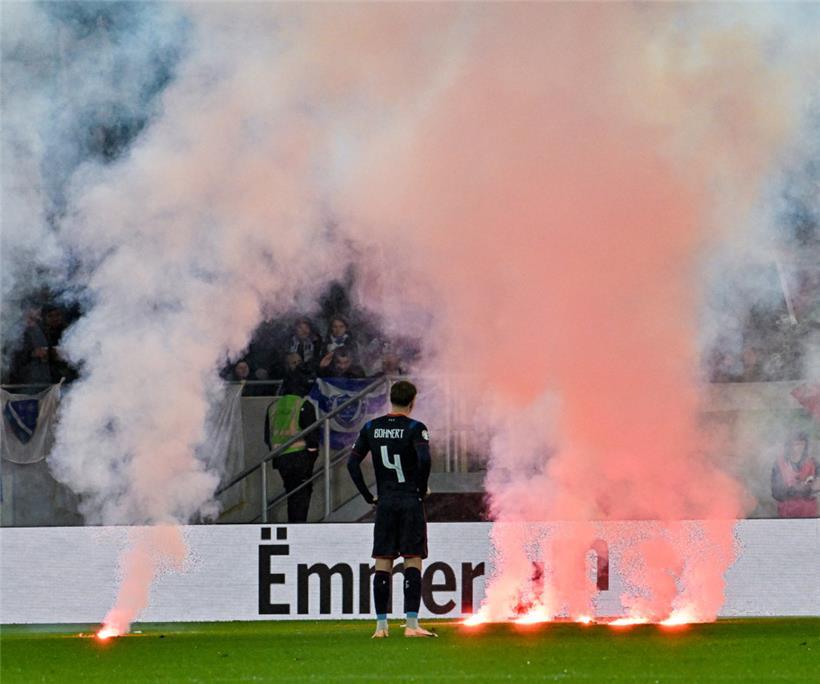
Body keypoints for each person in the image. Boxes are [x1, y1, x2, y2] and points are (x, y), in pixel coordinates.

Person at [347, 380, 435, 638]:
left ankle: (381, 626)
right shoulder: (415, 428)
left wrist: (367, 496)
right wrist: (420, 488)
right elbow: (425, 459)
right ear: (412, 401)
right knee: (412, 558)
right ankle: (411, 625)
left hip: (385, 501)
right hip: (409, 500)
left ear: (390, 399)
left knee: (383, 561)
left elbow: (352, 465)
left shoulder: (371, 427)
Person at [264, 389, 319, 523]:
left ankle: (293, 525)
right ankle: (298, 527)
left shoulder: (273, 407)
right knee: (302, 494)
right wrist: (312, 454)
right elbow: (312, 434)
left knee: (291, 493)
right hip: (300, 456)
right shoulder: (303, 405)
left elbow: (267, 437)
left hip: (280, 457)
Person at [771, 432, 819, 518]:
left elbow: (816, 486)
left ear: (805, 445)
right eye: (792, 444)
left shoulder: (814, 463)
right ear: (788, 445)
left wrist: (812, 487)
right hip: (786, 513)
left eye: (799, 444)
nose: (795, 448)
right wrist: (794, 490)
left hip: (809, 513)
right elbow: (776, 493)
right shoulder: (779, 464)